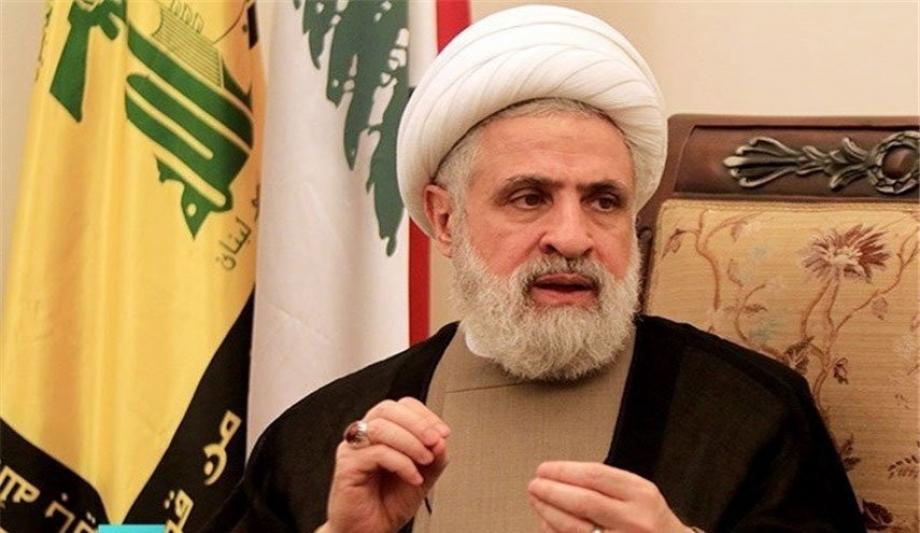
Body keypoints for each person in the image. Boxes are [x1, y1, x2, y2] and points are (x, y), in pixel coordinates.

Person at [206, 5, 863, 532]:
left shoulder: (746, 416)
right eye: (529, 198)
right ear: (445, 218)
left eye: (603, 201)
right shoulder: (325, 437)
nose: (572, 237)